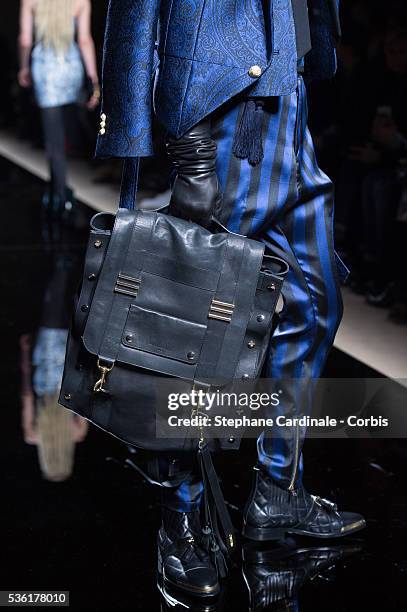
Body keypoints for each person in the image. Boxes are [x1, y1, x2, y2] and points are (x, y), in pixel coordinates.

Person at [95, 0, 366, 601]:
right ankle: (181, 518)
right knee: (198, 339)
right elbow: (136, 16)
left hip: (290, 110)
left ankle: (277, 494)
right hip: (224, 122)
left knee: (316, 305)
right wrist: (182, 149)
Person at [18, 0, 99, 215]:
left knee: (53, 138)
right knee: (66, 131)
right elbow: (84, 40)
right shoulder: (81, 2)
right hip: (70, 66)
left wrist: (24, 67)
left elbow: (26, 40)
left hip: (44, 67)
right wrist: (94, 81)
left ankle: (60, 194)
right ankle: (58, 189)